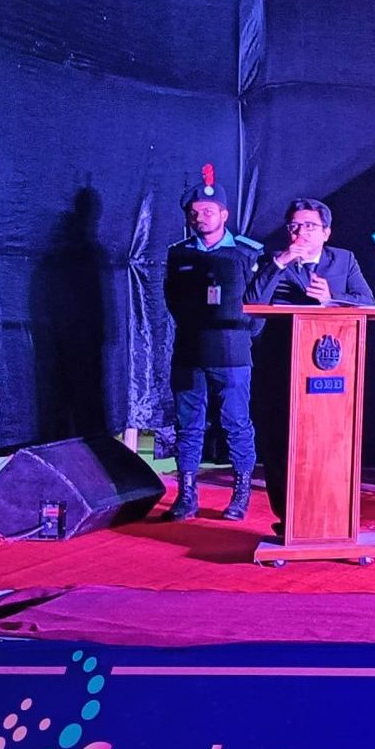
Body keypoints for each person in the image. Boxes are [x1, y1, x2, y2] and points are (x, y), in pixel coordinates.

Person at [244, 198, 375, 535]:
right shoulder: (273, 260)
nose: (300, 232)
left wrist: (331, 299)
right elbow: (253, 302)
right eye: (294, 226)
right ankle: (288, 519)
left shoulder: (343, 260)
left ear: (326, 232)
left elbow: (367, 301)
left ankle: (330, 516)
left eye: (309, 226)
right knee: (279, 440)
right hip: (279, 361)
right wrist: (281, 261)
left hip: (329, 368)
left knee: (327, 440)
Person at [162, 165, 262, 522]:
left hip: (232, 353)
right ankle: (187, 495)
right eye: (194, 213)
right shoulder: (180, 253)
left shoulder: (247, 253)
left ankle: (240, 494)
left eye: (208, 211)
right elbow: (172, 299)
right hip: (189, 352)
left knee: (236, 423)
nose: (200, 217)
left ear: (224, 214)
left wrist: (243, 336)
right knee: (188, 426)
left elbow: (259, 305)